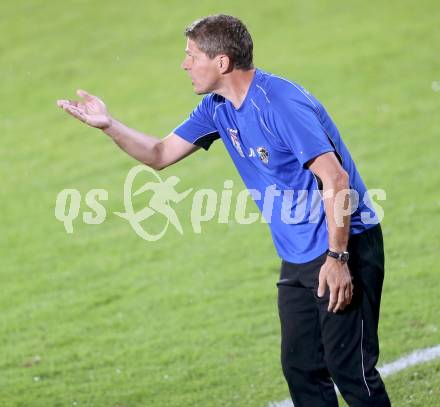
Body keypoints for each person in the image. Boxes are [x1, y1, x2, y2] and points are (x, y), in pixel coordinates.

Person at [57, 14, 391, 407]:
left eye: (191, 55)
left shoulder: (279, 104)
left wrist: (338, 258)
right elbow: (160, 154)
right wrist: (108, 125)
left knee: (350, 370)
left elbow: (335, 180)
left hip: (345, 244)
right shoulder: (218, 107)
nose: (184, 64)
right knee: (302, 369)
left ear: (221, 62)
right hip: (299, 256)